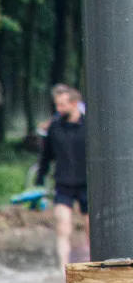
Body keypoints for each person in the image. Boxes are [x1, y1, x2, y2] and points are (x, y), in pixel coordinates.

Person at [34, 83, 88, 266]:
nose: (58, 109)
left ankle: (94, 265)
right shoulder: (55, 127)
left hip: (87, 183)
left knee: (91, 227)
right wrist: (40, 175)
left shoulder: (89, 126)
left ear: (74, 103)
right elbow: (46, 154)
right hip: (63, 183)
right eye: (57, 105)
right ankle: (63, 270)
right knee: (62, 225)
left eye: (62, 105)